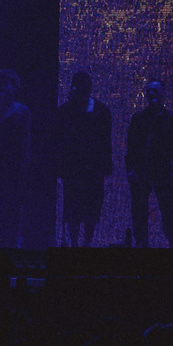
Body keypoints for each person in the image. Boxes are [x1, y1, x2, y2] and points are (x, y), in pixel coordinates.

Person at [56, 72, 114, 248]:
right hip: (73, 169)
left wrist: (105, 166)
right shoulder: (66, 111)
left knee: (92, 207)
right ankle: (74, 243)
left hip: (94, 169)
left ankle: (87, 242)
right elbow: (59, 141)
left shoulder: (101, 111)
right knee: (72, 207)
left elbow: (105, 141)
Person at [126, 79, 173, 248]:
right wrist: (130, 169)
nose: (151, 94)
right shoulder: (139, 118)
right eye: (149, 90)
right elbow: (131, 147)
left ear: (162, 94)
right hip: (141, 170)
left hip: (162, 171)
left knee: (167, 206)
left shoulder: (170, 118)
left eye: (154, 91)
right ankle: (141, 241)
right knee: (139, 208)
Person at [0, 69, 35, 246]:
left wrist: (25, 161)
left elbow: (26, 139)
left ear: (14, 86)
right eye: (0, 84)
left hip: (15, 163)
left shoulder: (22, 110)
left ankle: (15, 237)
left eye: (7, 84)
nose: (4, 88)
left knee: (14, 201)